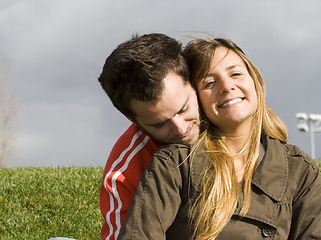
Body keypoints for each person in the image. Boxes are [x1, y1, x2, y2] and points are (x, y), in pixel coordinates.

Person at [118, 38, 321, 239]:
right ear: (197, 98)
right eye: (210, 83)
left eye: (236, 74)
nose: (226, 86)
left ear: (255, 81)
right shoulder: (176, 164)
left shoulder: (299, 170)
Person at [98, 33, 201, 240]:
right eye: (160, 123)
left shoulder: (228, 113)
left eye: (183, 109)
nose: (181, 129)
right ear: (132, 119)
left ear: (191, 82)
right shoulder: (123, 175)